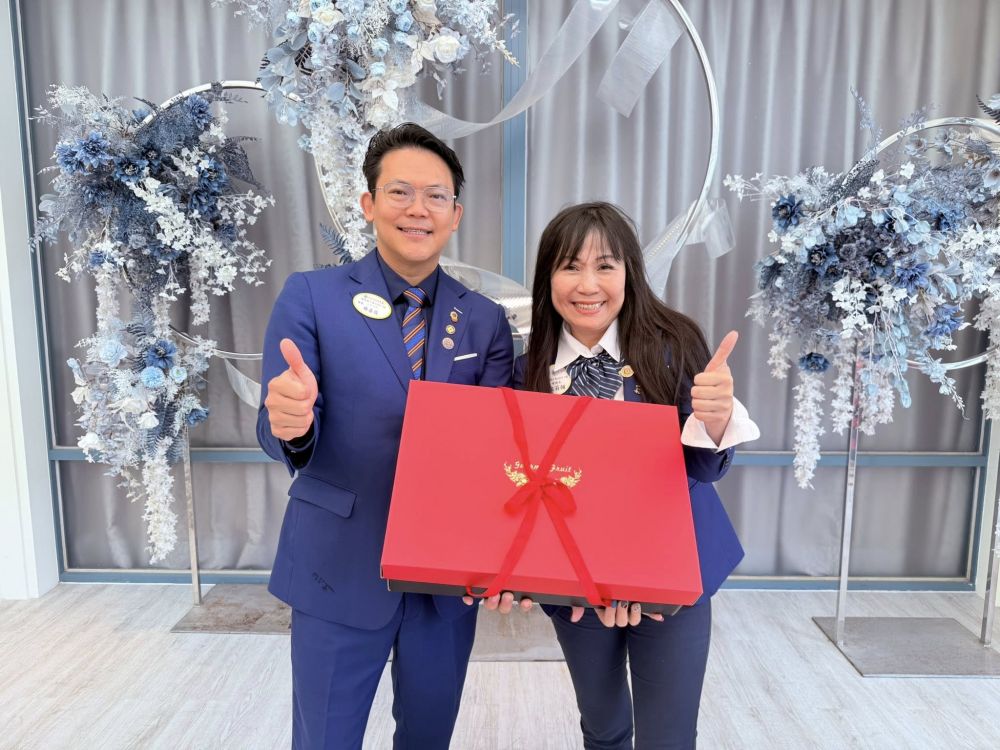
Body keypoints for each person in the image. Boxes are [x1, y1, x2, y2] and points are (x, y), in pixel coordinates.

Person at [257, 123, 515, 749]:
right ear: (369, 204)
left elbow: (497, 455)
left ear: (456, 214)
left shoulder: (484, 320)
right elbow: (280, 422)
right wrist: (292, 422)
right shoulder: (312, 297)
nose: (418, 209)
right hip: (337, 565)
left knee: (428, 737)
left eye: (436, 196)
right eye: (400, 192)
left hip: (445, 581)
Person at [514, 202, 759, 749]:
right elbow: (525, 487)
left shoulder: (674, 343)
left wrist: (715, 419)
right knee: (602, 728)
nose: (588, 285)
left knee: (668, 736)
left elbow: (702, 469)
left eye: (605, 266)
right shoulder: (526, 367)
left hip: (673, 574)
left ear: (630, 272)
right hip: (576, 584)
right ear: (547, 278)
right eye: (570, 266)